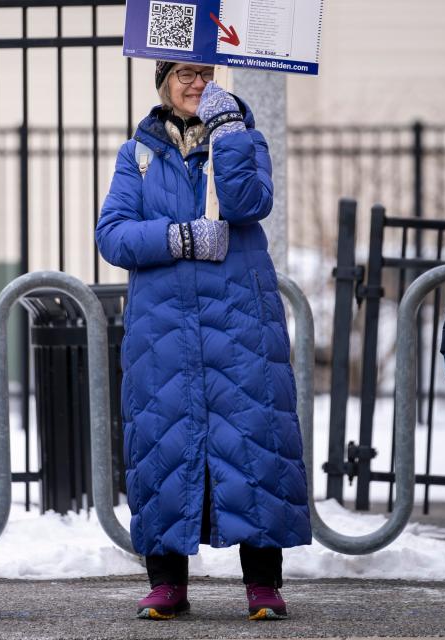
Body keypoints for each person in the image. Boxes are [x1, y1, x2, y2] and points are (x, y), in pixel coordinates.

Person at [95, 61, 311, 621]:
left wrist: (228, 135)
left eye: (206, 74)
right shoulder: (136, 155)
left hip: (239, 318)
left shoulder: (242, 137)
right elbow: (112, 236)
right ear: (163, 80)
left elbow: (247, 205)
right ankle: (167, 583)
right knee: (165, 444)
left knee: (253, 443)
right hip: (163, 329)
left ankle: (263, 584)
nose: (197, 84)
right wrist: (179, 236)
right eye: (186, 74)